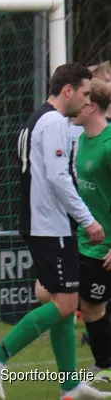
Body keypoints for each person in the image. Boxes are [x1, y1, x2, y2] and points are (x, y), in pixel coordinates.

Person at [0, 62, 110, 400]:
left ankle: (69, 386)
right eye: (83, 92)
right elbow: (57, 177)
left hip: (41, 224)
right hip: (51, 227)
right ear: (68, 90)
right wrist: (88, 220)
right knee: (66, 304)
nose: (85, 100)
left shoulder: (37, 120)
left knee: (60, 300)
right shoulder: (52, 122)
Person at [70, 77, 111, 382]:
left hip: (105, 246)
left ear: (92, 106)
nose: (75, 106)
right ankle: (104, 364)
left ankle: (104, 365)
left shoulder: (109, 146)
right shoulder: (82, 140)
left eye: (81, 100)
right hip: (87, 241)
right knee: (90, 305)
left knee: (92, 306)